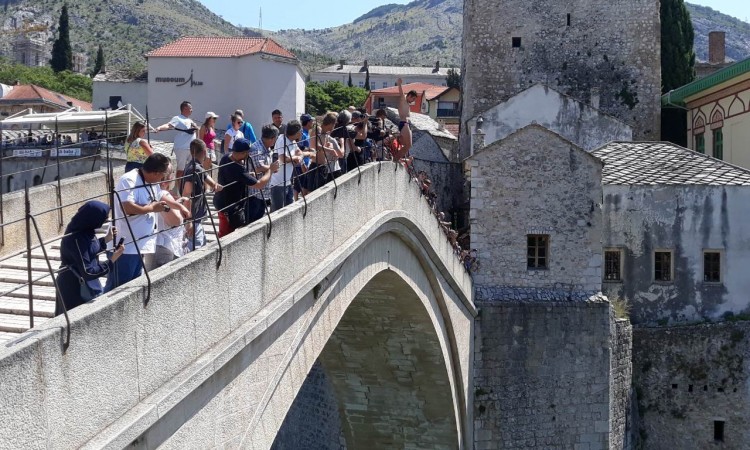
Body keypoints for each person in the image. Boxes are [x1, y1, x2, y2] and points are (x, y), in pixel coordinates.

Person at [105, 153, 189, 291]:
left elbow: (161, 195)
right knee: (117, 288)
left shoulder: (152, 182)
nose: (163, 179)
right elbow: (126, 207)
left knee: (131, 288)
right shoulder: (129, 180)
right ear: (155, 173)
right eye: (163, 175)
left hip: (141, 245)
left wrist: (179, 206)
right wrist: (152, 208)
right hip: (125, 248)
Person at [56, 201, 124, 316]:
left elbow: (88, 250)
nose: (106, 220)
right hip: (74, 288)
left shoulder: (85, 229)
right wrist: (112, 260)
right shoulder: (76, 237)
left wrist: (106, 239)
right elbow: (88, 272)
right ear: (93, 218)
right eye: (104, 218)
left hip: (85, 285)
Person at [217, 138, 277, 237]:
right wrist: (270, 170)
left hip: (224, 203)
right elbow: (259, 185)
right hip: (228, 208)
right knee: (225, 236)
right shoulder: (238, 169)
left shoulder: (226, 157)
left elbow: (234, 176)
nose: (249, 155)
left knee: (229, 232)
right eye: (247, 153)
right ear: (243, 153)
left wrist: (248, 175)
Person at [181, 139, 223, 250]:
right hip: (193, 218)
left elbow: (211, 181)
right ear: (204, 152)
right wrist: (189, 221)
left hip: (196, 218)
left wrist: (216, 186)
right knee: (195, 250)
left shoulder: (195, 167)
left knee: (201, 245)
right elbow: (186, 195)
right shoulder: (194, 170)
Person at [150, 163, 186, 269]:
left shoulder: (150, 191)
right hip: (165, 245)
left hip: (154, 243)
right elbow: (176, 220)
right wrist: (181, 208)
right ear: (168, 177)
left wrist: (176, 203)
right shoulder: (163, 194)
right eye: (172, 173)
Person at [154, 101, 198, 181]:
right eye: (190, 108)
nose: (192, 110)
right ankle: (178, 189)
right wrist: (159, 128)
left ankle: (186, 187)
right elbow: (169, 125)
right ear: (185, 108)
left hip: (191, 148)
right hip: (182, 147)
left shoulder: (189, 120)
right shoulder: (177, 118)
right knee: (181, 169)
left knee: (192, 168)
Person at [270, 120, 303, 211]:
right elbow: (282, 158)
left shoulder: (293, 141)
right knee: (277, 211)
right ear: (296, 133)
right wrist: (295, 158)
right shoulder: (282, 140)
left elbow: (299, 151)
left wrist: (299, 156)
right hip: (278, 183)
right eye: (301, 131)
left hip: (288, 181)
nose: (302, 134)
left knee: (289, 209)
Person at [248, 125, 278, 220]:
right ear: (272, 139)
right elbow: (259, 167)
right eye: (275, 138)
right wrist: (272, 168)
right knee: (253, 222)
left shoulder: (266, 147)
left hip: (264, 192)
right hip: (255, 193)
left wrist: (272, 168)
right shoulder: (256, 148)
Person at [393, 78, 415, 160]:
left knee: (406, 144)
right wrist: (399, 84)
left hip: (407, 124)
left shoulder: (407, 103)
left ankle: (397, 158)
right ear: (409, 96)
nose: (413, 101)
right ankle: (395, 159)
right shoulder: (403, 100)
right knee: (408, 145)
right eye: (413, 98)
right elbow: (401, 93)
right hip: (404, 123)